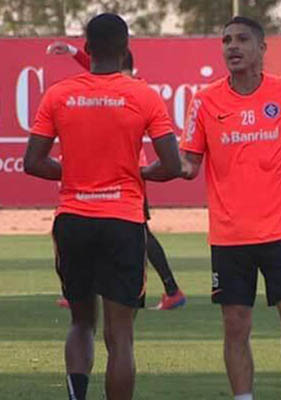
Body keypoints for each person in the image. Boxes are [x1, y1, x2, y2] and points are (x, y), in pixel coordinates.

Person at [179, 16, 281, 400]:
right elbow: (189, 163)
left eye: (241, 39)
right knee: (236, 325)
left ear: (262, 48)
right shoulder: (204, 100)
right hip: (229, 234)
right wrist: (168, 164)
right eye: (226, 41)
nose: (232, 47)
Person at [24, 13, 183, 400]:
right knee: (120, 335)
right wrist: (138, 172)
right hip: (123, 222)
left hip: (74, 220)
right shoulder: (143, 95)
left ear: (87, 47)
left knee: (81, 323)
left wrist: (73, 171)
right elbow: (172, 165)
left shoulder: (59, 94)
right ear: (126, 49)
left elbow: (33, 162)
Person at [46, 41, 187, 310]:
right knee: (135, 233)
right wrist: (74, 53)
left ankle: (165, 289)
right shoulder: (125, 87)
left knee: (138, 234)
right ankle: (87, 289)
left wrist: (76, 53)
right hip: (123, 174)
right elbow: (94, 66)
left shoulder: (134, 88)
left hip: (127, 175)